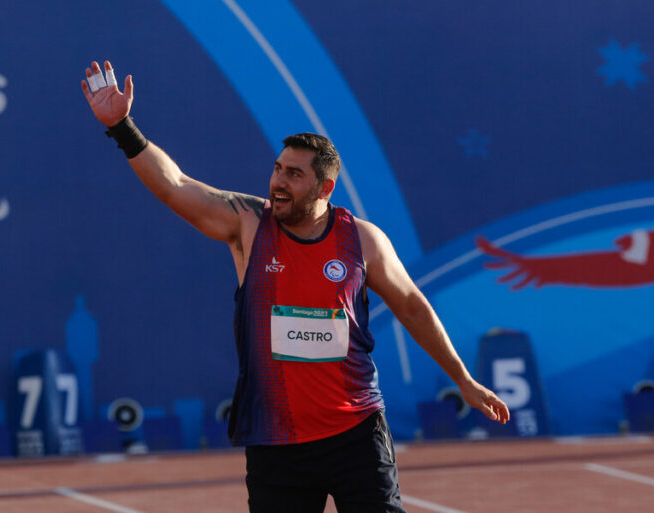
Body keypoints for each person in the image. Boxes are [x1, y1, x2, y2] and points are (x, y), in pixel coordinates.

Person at [81, 60, 510, 513]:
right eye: (278, 168)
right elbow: (176, 186)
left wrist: (463, 379)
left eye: (294, 174)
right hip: (275, 439)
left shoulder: (362, 240)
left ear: (325, 187)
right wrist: (121, 127)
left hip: (355, 431)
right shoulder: (248, 224)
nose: (278, 182)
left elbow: (413, 307)